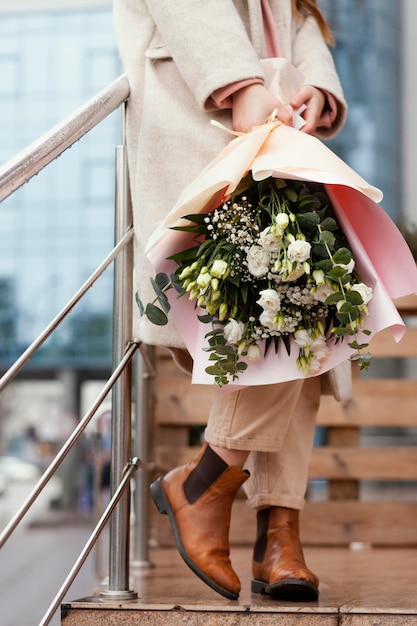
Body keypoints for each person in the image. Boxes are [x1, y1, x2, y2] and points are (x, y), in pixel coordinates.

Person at [113, 0, 348, 602]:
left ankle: (275, 533)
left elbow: (301, 18)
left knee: (301, 309)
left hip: (283, 132)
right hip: (213, 119)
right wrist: (239, 83)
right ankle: (205, 495)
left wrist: (317, 87)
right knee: (282, 310)